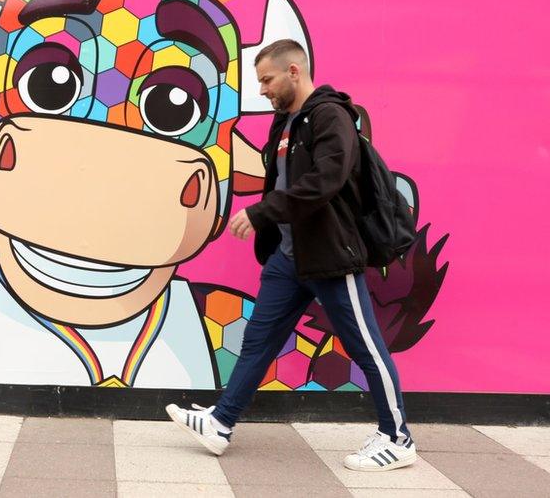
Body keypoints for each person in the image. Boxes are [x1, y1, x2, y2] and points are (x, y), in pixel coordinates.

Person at [165, 39, 417, 472]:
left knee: (366, 347)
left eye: (267, 79)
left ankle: (398, 438)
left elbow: (327, 181)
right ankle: (220, 424)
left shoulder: (329, 116)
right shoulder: (285, 124)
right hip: (288, 257)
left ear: (294, 72)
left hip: (329, 255)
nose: (261, 89)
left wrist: (263, 213)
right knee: (257, 342)